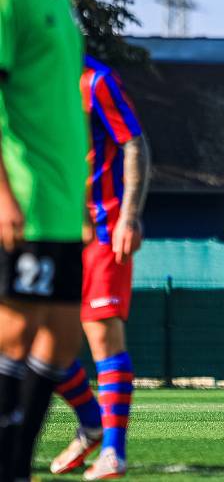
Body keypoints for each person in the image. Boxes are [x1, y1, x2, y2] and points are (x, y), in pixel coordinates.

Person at [0, 0, 87, 479]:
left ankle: (16, 464)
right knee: (15, 331)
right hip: (25, 199)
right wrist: (4, 195)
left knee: (60, 334)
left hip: (59, 205)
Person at [48, 56, 150, 479]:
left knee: (101, 335)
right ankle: (90, 421)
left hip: (105, 230)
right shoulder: (28, 77)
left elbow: (134, 144)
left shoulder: (96, 80)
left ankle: (113, 451)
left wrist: (128, 215)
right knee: (36, 346)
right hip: (52, 230)